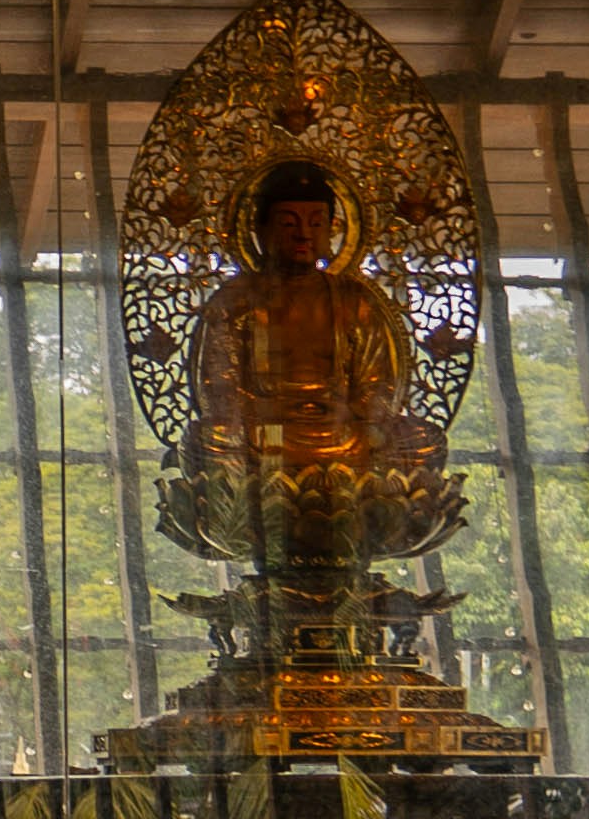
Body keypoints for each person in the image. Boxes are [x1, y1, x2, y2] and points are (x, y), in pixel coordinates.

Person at [179, 154, 458, 567]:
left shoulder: (354, 300)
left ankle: (331, 483)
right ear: (260, 230)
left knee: (425, 441)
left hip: (343, 432)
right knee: (207, 439)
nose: (303, 234)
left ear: (333, 231)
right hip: (265, 435)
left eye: (316, 223)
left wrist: (358, 419)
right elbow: (219, 387)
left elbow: (379, 385)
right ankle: (326, 486)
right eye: (288, 223)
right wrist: (260, 418)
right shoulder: (235, 301)